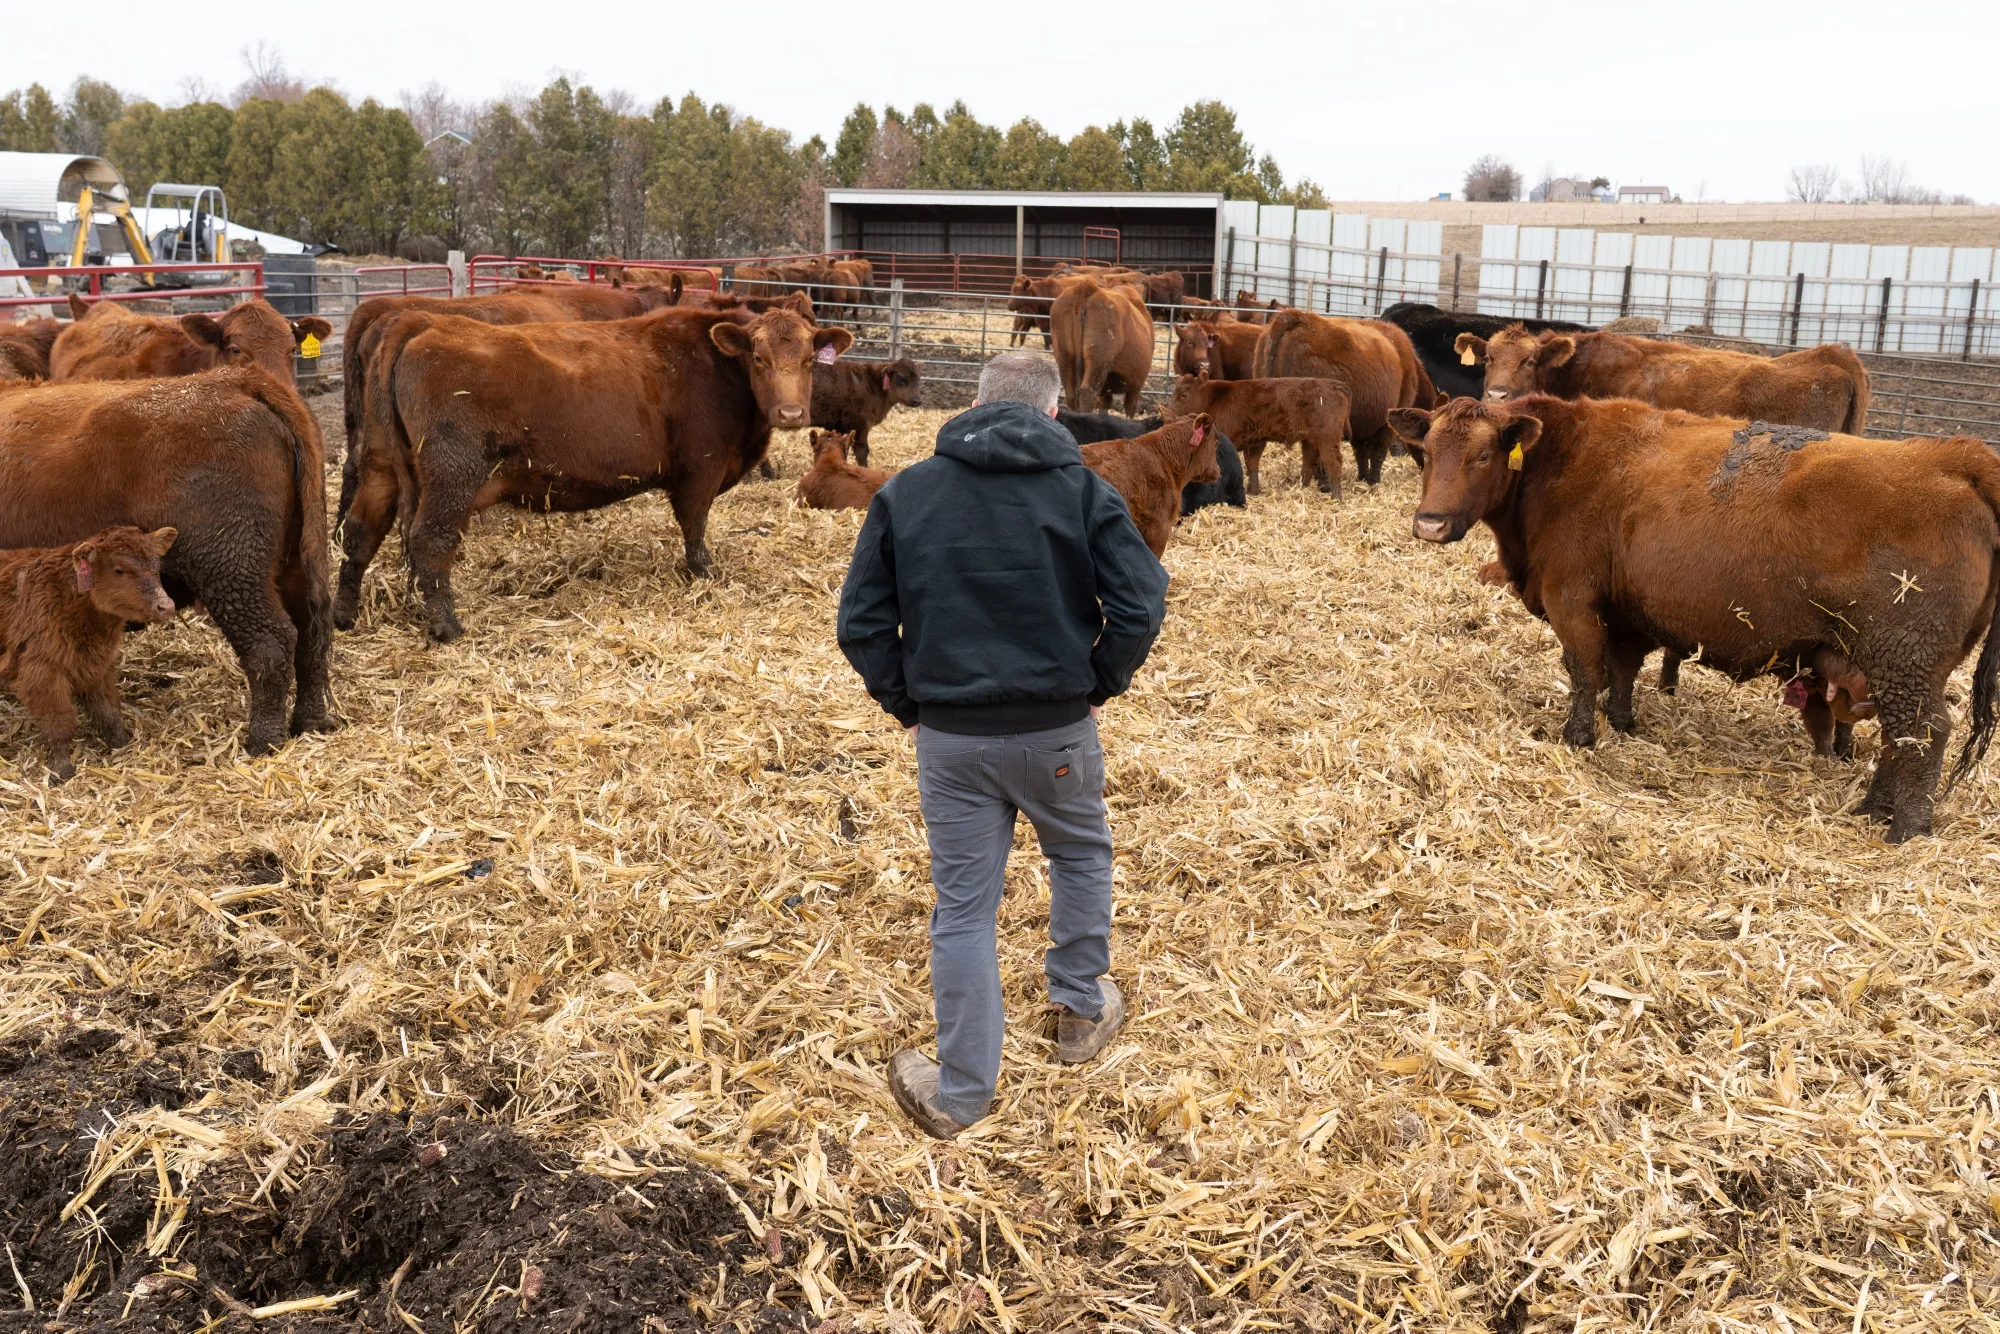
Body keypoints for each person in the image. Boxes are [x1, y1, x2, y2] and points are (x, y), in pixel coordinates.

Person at [836, 351, 1170, 1139]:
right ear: (1053, 414)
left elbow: (860, 623)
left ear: (977, 406)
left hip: (950, 737)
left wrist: (905, 702)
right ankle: (1079, 1013)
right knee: (1081, 856)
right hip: (1057, 728)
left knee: (963, 908)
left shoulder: (908, 491)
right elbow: (1141, 602)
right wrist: (1096, 682)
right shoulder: (1084, 488)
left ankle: (961, 1095)